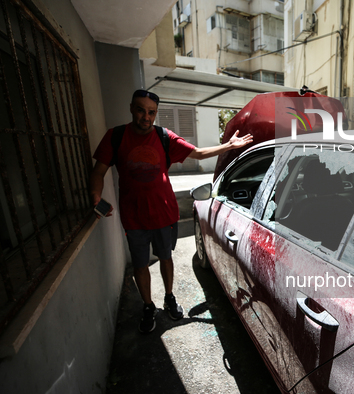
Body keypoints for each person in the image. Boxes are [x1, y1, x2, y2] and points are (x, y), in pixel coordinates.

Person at [90, 89, 253, 333]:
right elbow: (98, 171)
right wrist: (95, 196)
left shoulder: (164, 136)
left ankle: (169, 296)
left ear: (155, 114)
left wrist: (228, 146)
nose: (146, 116)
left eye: (151, 112)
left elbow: (197, 153)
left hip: (163, 214)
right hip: (133, 217)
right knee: (140, 264)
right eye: (141, 110)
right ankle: (147, 305)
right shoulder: (116, 137)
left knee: (166, 257)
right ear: (131, 108)